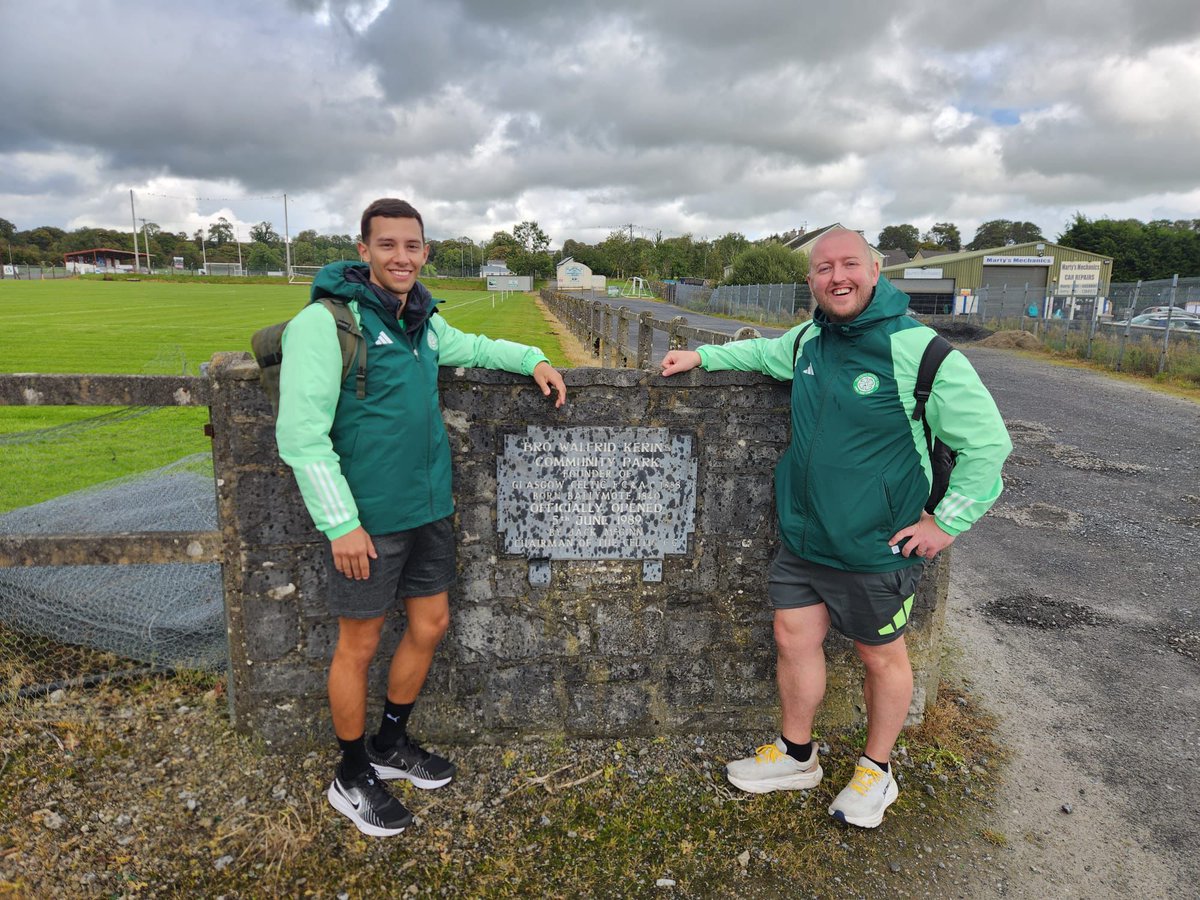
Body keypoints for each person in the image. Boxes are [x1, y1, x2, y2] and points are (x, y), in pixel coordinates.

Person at [660, 228, 1010, 828]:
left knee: (881, 658)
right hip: (805, 536)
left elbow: (988, 446)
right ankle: (798, 755)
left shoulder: (921, 351)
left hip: (877, 542)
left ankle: (877, 772)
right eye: (824, 268)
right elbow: (761, 354)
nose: (837, 276)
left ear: (875, 270)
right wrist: (702, 356)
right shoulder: (808, 339)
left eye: (850, 264)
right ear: (812, 280)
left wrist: (944, 524)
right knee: (794, 637)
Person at [275, 198, 567, 837]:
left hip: (428, 509)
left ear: (425, 252)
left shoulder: (423, 324)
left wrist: (535, 359)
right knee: (357, 645)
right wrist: (340, 523)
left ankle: (388, 744)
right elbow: (300, 435)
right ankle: (351, 775)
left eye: (412, 246)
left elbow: (481, 345)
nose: (401, 257)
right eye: (387, 246)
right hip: (366, 521)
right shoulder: (325, 326)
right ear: (364, 250)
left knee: (429, 625)